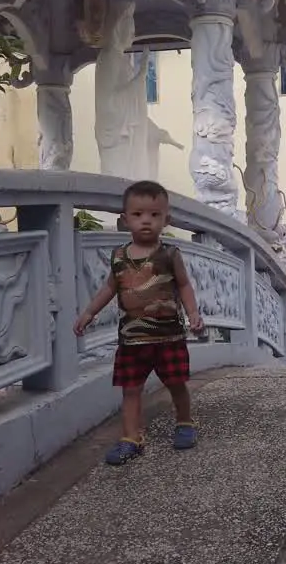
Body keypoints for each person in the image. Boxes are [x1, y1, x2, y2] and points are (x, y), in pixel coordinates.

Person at [73, 180, 205, 465]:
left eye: (154, 215)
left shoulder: (170, 255)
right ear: (124, 220)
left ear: (166, 220)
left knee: (176, 383)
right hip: (132, 340)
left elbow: (184, 286)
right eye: (138, 214)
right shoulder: (119, 257)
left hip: (168, 337)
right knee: (130, 390)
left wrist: (193, 313)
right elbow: (109, 288)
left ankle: (184, 422)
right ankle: (131, 437)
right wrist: (88, 313)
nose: (146, 221)